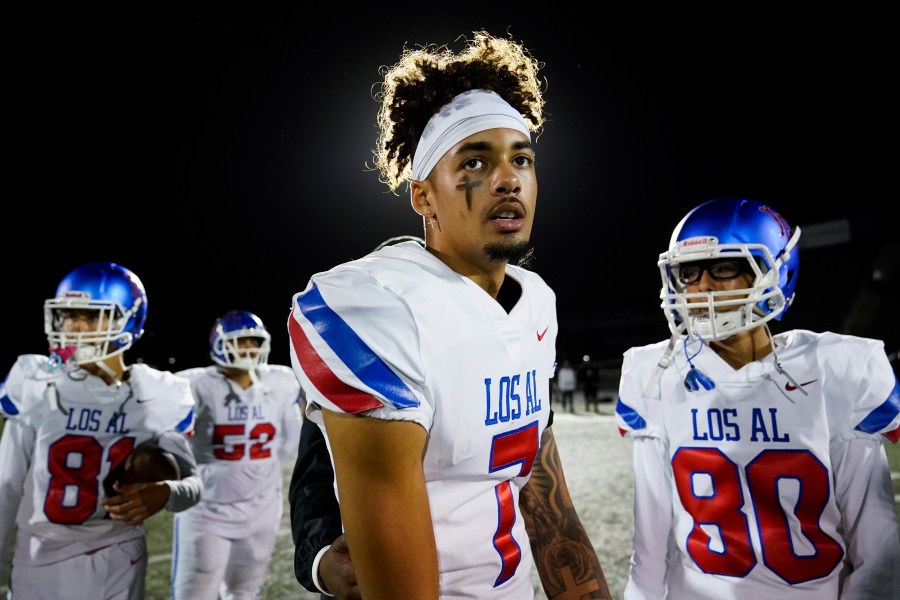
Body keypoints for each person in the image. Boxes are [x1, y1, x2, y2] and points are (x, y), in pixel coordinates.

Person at [287, 30, 610, 600]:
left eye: (522, 158)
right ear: (422, 196)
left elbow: (541, 488)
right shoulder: (377, 305)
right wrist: (316, 552)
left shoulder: (536, 302)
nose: (508, 178)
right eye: (476, 161)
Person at [614, 197, 900, 599]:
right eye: (689, 272)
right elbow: (649, 549)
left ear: (775, 272)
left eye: (724, 267)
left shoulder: (836, 371)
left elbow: (878, 552)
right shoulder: (656, 376)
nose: (702, 287)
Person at [0, 261, 202, 600]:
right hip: (38, 557)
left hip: (118, 555)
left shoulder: (159, 393)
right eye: (70, 315)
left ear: (129, 318)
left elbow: (194, 484)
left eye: (92, 316)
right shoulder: (36, 380)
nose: (77, 327)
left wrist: (166, 491)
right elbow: (5, 485)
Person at [171, 309, 303, 600]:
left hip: (262, 508)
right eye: (240, 341)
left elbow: (289, 441)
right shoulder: (195, 385)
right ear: (219, 344)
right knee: (195, 593)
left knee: (245, 592)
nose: (248, 348)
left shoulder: (281, 382)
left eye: (253, 342)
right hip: (207, 509)